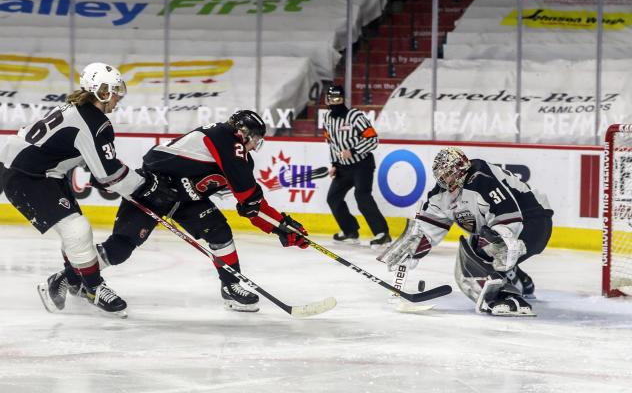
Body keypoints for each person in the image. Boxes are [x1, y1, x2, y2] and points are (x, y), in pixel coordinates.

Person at [40, 110, 310, 313]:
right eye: (255, 140)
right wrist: (280, 224)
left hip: (187, 201)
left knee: (219, 231)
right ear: (243, 133)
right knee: (120, 249)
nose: (254, 146)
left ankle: (230, 286)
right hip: (152, 191)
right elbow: (153, 159)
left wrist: (280, 226)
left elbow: (249, 206)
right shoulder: (225, 138)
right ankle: (68, 276)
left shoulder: (236, 154)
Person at [0, 62, 175, 316]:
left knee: (75, 229)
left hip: (40, 171)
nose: (117, 98)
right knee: (77, 229)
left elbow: (86, 158)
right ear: (101, 91)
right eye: (114, 92)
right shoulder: (94, 122)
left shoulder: (78, 110)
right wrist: (145, 187)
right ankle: (93, 287)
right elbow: (110, 175)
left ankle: (73, 282)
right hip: (27, 176)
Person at [377, 147, 554, 316]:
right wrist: (412, 247)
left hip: (533, 222)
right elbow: (428, 228)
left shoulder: (482, 177)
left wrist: (503, 240)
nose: (448, 180)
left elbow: (508, 213)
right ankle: (520, 282)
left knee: (475, 262)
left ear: (462, 167)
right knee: (476, 246)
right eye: (443, 176)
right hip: (506, 226)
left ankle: (508, 298)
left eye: (450, 173)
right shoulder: (441, 195)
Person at [322, 84, 391, 248]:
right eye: (331, 99)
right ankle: (350, 231)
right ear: (327, 100)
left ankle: (382, 234)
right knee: (333, 198)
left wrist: (353, 150)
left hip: (362, 165)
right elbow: (331, 143)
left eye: (337, 99)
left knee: (362, 196)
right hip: (343, 168)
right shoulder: (327, 119)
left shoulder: (355, 116)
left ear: (343, 99)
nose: (334, 102)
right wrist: (334, 164)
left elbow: (373, 139)